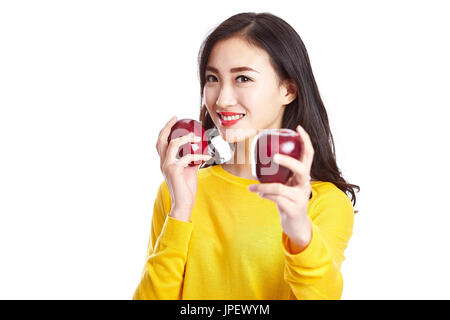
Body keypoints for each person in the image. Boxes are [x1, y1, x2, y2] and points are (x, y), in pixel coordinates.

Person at [133, 12, 360, 300]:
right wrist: (181, 210)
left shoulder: (322, 202)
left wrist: (300, 231)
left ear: (288, 90)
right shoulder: (176, 191)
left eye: (243, 78)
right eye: (212, 78)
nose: (222, 99)